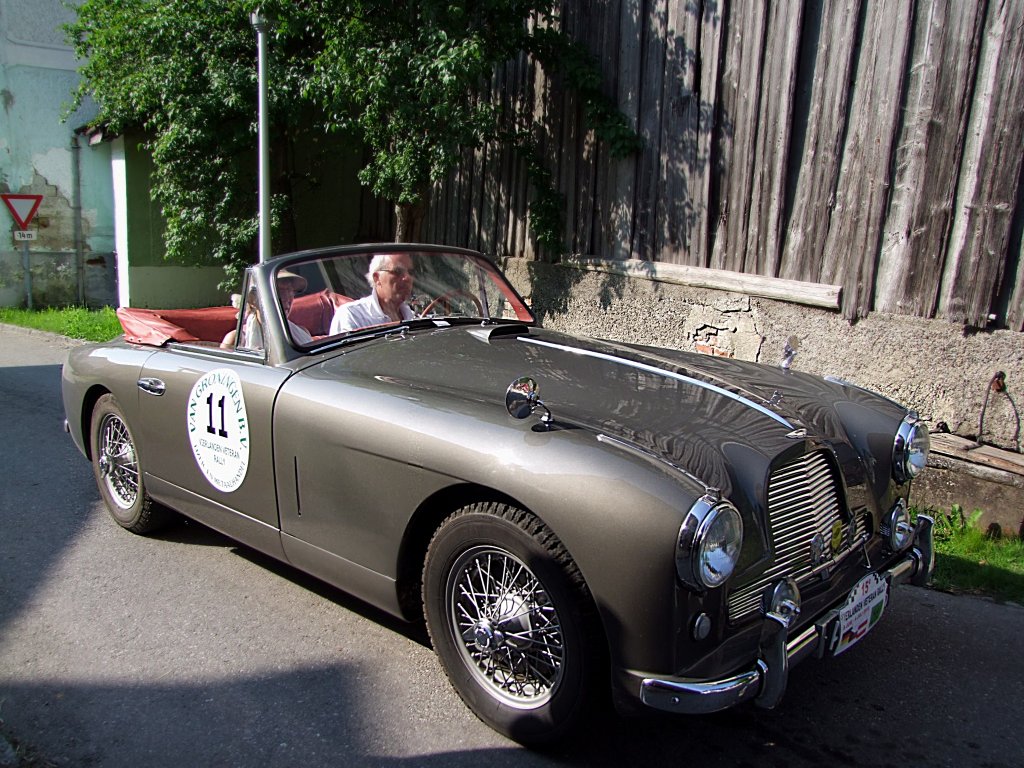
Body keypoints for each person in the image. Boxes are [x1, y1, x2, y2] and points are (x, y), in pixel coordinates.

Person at [330, 253, 416, 334]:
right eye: (397, 271)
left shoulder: (412, 316)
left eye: (411, 272)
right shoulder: (351, 315)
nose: (407, 278)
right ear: (377, 278)